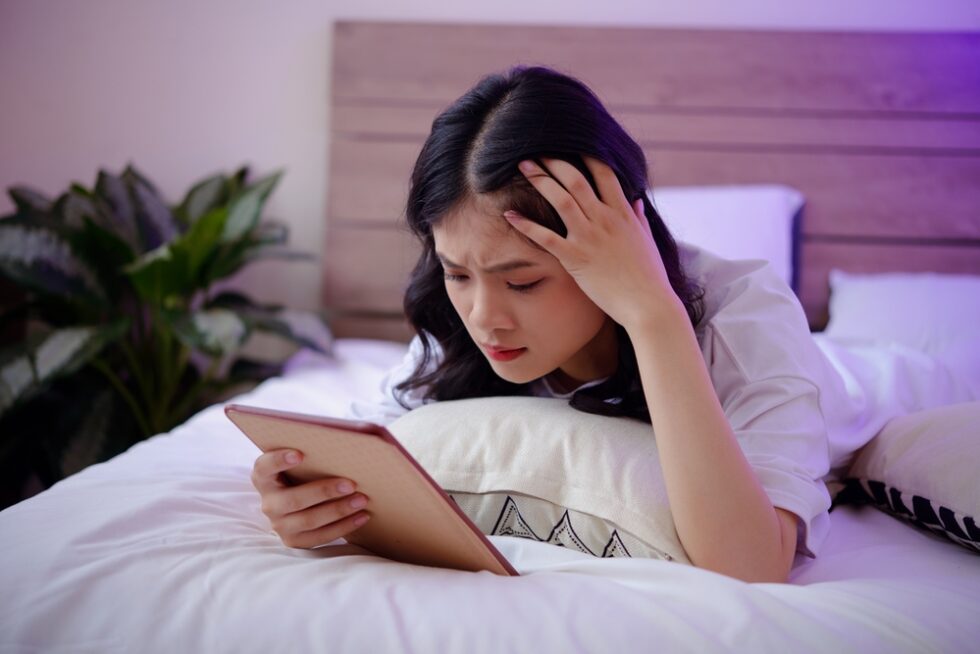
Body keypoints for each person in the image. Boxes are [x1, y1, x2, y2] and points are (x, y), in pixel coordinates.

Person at [250, 66, 849, 584]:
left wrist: (652, 314)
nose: (485, 318)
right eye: (458, 274)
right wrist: (302, 495)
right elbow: (369, 448)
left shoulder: (742, 314)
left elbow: (748, 567)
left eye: (524, 282)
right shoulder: (455, 320)